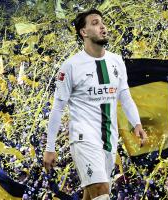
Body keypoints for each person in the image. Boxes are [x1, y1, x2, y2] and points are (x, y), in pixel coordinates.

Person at [43, 8, 147, 200]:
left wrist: (136, 123)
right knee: (101, 189)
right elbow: (57, 108)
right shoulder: (71, 66)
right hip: (84, 137)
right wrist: (50, 147)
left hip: (109, 137)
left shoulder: (116, 61)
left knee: (92, 194)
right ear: (84, 32)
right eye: (95, 23)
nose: (102, 27)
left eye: (102, 22)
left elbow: (124, 95)